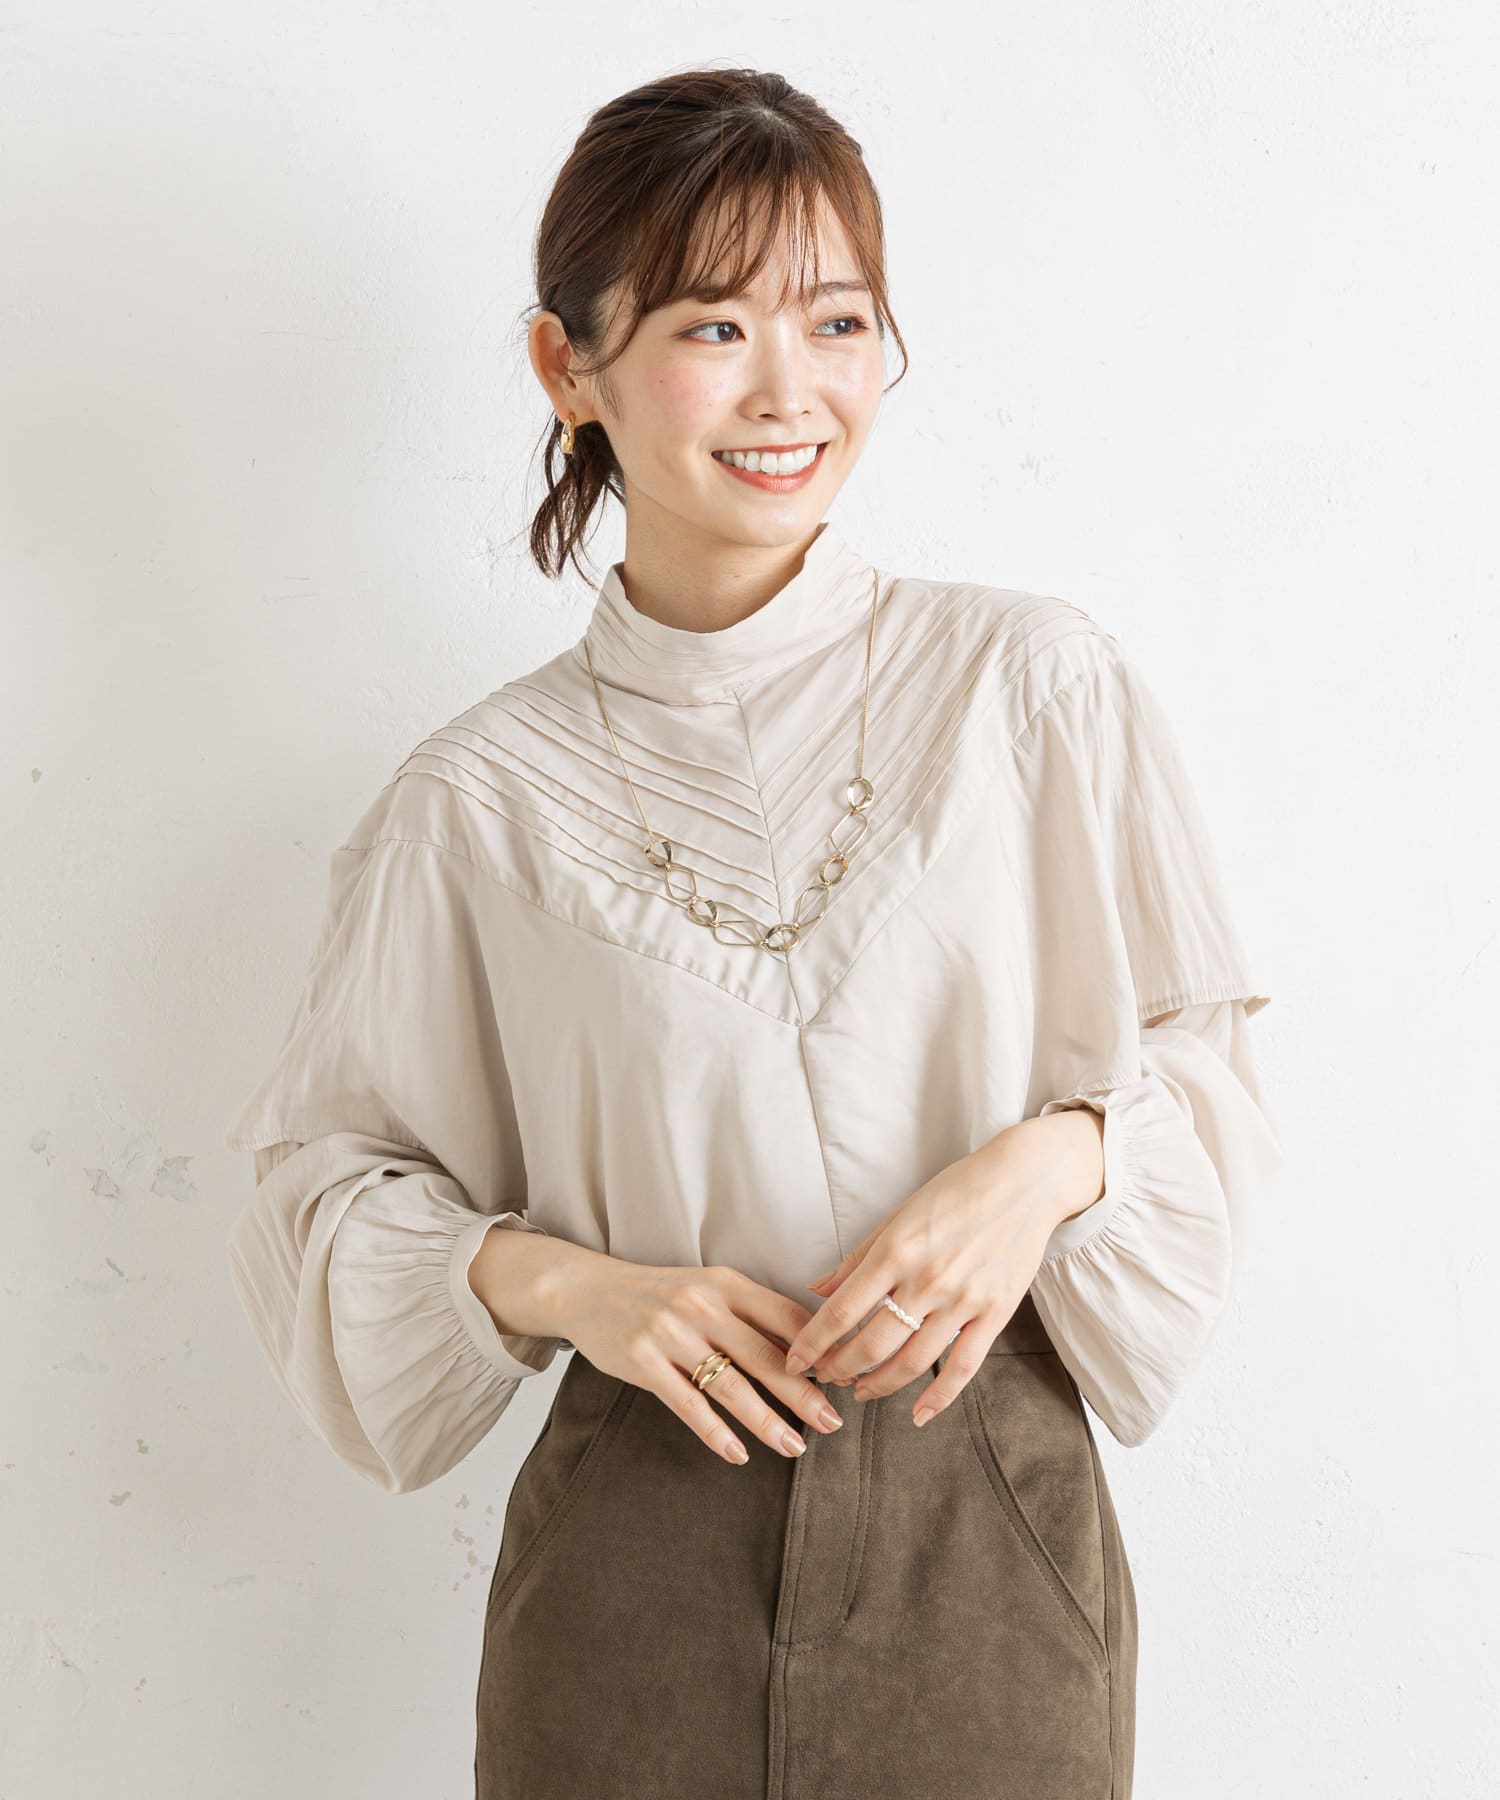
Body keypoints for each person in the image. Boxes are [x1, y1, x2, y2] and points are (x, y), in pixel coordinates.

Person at [224, 66, 1286, 1800]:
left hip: (985, 1520)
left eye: (839, 321)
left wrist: (1049, 1165)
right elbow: (322, 1192)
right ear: (568, 366)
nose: (791, 390)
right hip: (638, 1536)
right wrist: (571, 1286)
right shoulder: (480, 800)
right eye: (714, 326)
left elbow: (1209, 1064)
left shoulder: (1029, 689)